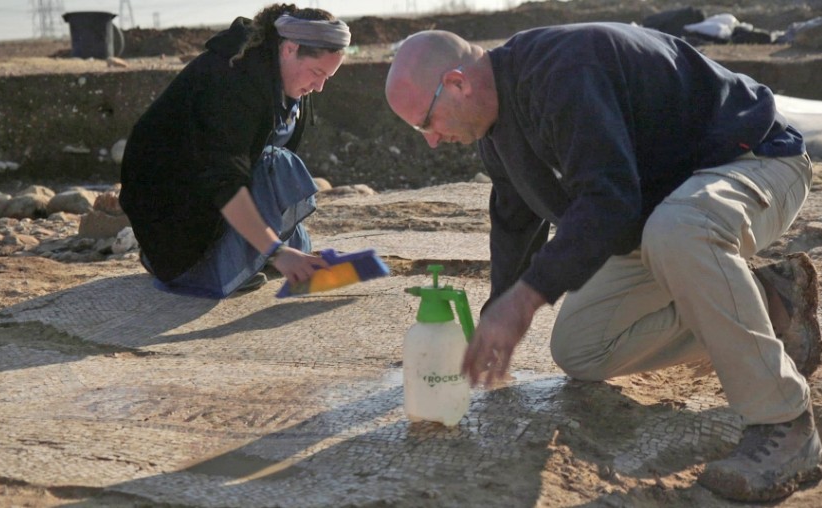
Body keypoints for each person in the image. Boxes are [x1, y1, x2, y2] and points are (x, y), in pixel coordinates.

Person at [385, 23, 821, 502]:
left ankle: (784, 422)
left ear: (457, 83)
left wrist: (527, 301)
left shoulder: (564, 69)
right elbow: (516, 219)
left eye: (425, 123)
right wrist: (499, 306)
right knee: (582, 348)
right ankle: (772, 301)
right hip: (662, 211)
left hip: (751, 161)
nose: (430, 140)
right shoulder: (495, 132)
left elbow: (609, 201)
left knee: (676, 231)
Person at [119, 4, 350, 298]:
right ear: (289, 49)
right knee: (277, 164)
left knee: (297, 241)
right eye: (317, 72)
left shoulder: (288, 82)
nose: (319, 87)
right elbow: (223, 175)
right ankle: (172, 261)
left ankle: (251, 252)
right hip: (175, 209)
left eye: (327, 78)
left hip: (220, 193)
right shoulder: (231, 80)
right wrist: (276, 251)